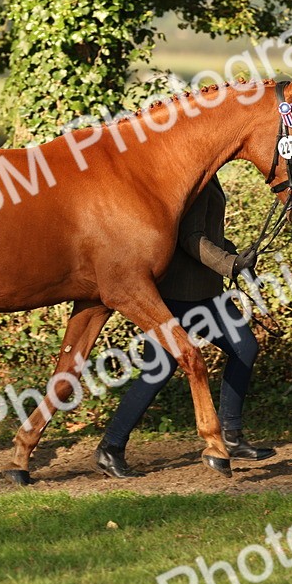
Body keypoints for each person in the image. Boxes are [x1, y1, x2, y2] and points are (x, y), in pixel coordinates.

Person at [95, 174, 275, 478]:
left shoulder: (208, 173)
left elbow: (209, 234)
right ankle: (110, 447)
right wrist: (229, 264)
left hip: (206, 291)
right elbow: (191, 237)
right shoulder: (191, 176)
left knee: (244, 347)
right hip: (176, 296)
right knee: (159, 370)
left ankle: (231, 435)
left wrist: (236, 258)